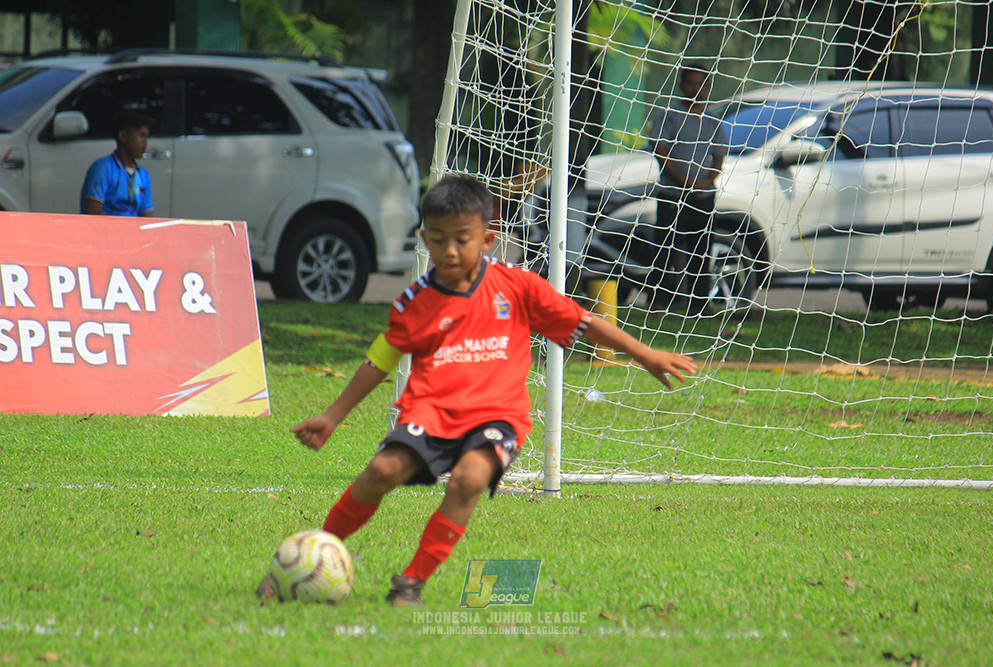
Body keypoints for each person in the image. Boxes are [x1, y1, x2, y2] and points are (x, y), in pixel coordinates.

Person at [260, 174, 698, 607]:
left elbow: (583, 321)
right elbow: (379, 360)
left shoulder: (519, 288)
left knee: (469, 479)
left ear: (487, 239)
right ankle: (310, 557)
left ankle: (410, 582)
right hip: (430, 412)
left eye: (462, 239)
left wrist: (643, 354)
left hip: (497, 415)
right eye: (437, 239)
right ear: (424, 238)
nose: (449, 250)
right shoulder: (413, 301)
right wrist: (332, 415)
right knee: (382, 471)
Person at [646, 63, 727, 314]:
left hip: (702, 197)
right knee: (665, 248)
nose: (696, 89)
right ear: (682, 86)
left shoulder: (713, 121)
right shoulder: (669, 114)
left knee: (700, 249)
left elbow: (719, 156)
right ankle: (658, 301)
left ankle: (700, 303)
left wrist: (705, 182)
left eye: (701, 84)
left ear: (708, 87)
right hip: (672, 195)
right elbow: (659, 148)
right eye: (691, 83)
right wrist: (682, 179)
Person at [80, 110, 154, 217]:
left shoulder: (143, 174)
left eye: (146, 137)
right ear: (123, 136)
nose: (145, 142)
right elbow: (92, 212)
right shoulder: (102, 168)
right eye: (141, 135)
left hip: (131, 232)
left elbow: (147, 216)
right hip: (105, 232)